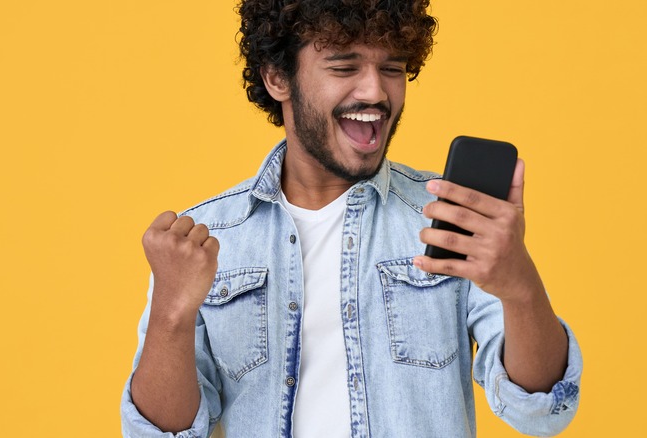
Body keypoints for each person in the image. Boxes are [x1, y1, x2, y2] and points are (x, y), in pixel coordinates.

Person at [121, 1, 582, 437]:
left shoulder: (453, 215)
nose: (375, 92)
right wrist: (171, 316)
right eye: (344, 67)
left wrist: (520, 285)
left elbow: (539, 410)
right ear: (278, 77)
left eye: (392, 69)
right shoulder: (208, 239)